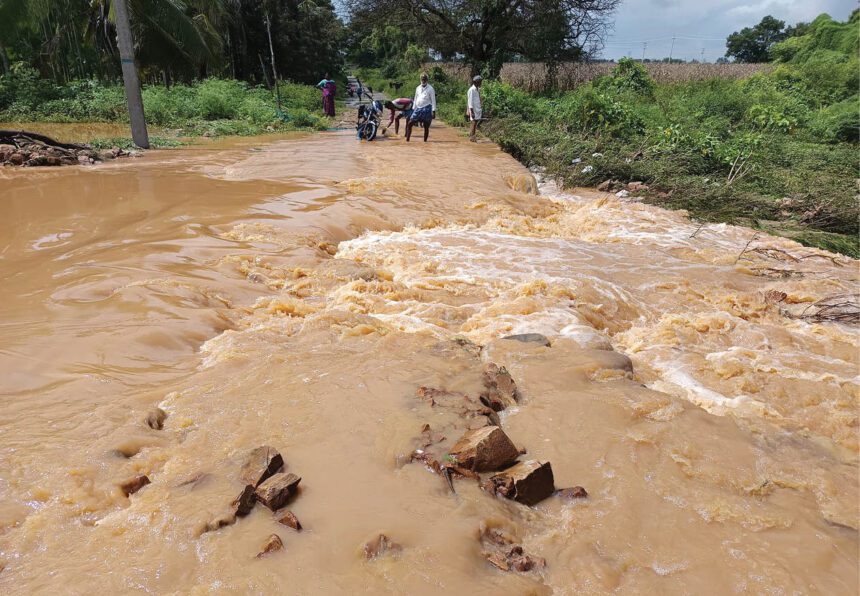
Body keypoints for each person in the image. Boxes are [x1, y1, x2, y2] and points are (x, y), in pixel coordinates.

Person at [406, 72, 436, 142]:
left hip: (427, 108)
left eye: (425, 79)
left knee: (426, 126)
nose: (423, 80)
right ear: (420, 79)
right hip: (418, 108)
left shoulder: (431, 89)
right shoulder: (418, 88)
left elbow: (433, 100)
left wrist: (434, 111)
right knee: (410, 123)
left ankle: (425, 142)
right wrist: (413, 109)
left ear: (427, 80)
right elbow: (415, 98)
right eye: (422, 79)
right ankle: (407, 140)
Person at [467, 75, 483, 142]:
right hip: (473, 109)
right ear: (476, 82)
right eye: (479, 82)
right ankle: (472, 137)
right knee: (473, 122)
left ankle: (472, 136)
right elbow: (470, 101)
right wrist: (471, 111)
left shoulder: (477, 89)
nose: (481, 83)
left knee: (475, 122)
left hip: (477, 108)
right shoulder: (471, 90)